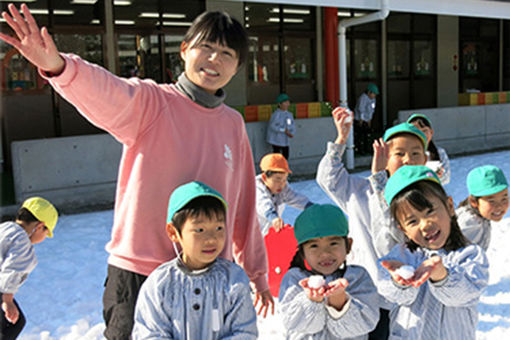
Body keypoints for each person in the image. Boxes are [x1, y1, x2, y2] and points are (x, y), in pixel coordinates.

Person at [0, 5, 273, 339]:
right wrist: (58, 67)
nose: (214, 60)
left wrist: (256, 273)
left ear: (238, 66)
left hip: (208, 274)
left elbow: (243, 204)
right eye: (207, 47)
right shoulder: (153, 103)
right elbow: (106, 90)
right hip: (140, 272)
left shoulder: (233, 124)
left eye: (227, 53)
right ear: (185, 49)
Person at [316, 107, 428, 340]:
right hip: (363, 291)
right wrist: (341, 139)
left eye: (416, 153)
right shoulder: (360, 191)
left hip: (405, 296)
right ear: (385, 156)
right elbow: (328, 178)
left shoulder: (426, 201)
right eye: (400, 154)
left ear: (425, 160)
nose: (408, 159)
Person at [132, 181, 257, 339]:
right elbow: (150, 333)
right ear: (173, 232)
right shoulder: (160, 284)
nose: (211, 239)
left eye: (219, 228)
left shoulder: (233, 280)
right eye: (199, 230)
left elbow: (245, 333)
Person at [379, 165, 488, 340]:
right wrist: (399, 281)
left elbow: (465, 294)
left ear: (450, 206)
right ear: (403, 229)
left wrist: (442, 276)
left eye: (430, 212)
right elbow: (390, 292)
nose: (425, 224)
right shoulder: (400, 256)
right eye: (412, 221)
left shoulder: (470, 254)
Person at [278, 204, 379, 339]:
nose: (325, 253)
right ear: (302, 252)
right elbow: (293, 322)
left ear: (348, 245)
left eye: (333, 243)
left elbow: (366, 322)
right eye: (314, 246)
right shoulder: (295, 280)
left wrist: (339, 301)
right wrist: (312, 301)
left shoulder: (357, 278)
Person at [0, 197, 58, 340]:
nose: (44, 237)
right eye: (46, 233)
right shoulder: (22, 241)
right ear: (40, 226)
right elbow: (13, 269)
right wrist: (7, 300)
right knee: (15, 322)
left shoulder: (5, 227)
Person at [256, 153, 313, 236]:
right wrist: (273, 217)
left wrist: (312, 207)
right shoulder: (256, 189)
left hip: (269, 233)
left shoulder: (283, 189)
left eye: (284, 180)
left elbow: (295, 198)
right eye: (278, 179)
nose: (281, 184)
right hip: (252, 236)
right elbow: (263, 203)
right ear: (264, 177)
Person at [456, 165, 509, 251]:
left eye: (504, 199)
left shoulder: (480, 216)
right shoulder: (469, 223)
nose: (499, 206)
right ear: (474, 201)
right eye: (491, 201)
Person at [407, 113, 451, 185]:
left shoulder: (440, 152)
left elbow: (446, 179)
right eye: (417, 131)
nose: (421, 134)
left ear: (431, 132)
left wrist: (439, 176)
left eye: (424, 130)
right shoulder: (404, 154)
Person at [266, 93, 295, 160]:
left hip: (285, 139)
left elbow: (290, 124)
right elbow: (272, 126)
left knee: (285, 155)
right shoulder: (276, 115)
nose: (287, 104)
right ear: (279, 104)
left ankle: (284, 168)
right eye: (285, 102)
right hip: (276, 139)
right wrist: (283, 130)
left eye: (288, 102)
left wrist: (291, 132)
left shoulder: (289, 114)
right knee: (277, 155)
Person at [354, 83, 379, 155]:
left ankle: (367, 148)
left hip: (367, 119)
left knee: (367, 135)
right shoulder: (363, 98)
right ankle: (360, 150)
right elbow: (361, 109)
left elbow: (372, 109)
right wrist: (361, 119)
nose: (374, 96)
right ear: (369, 92)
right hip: (360, 119)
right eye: (373, 94)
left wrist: (370, 119)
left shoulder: (373, 99)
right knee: (360, 135)